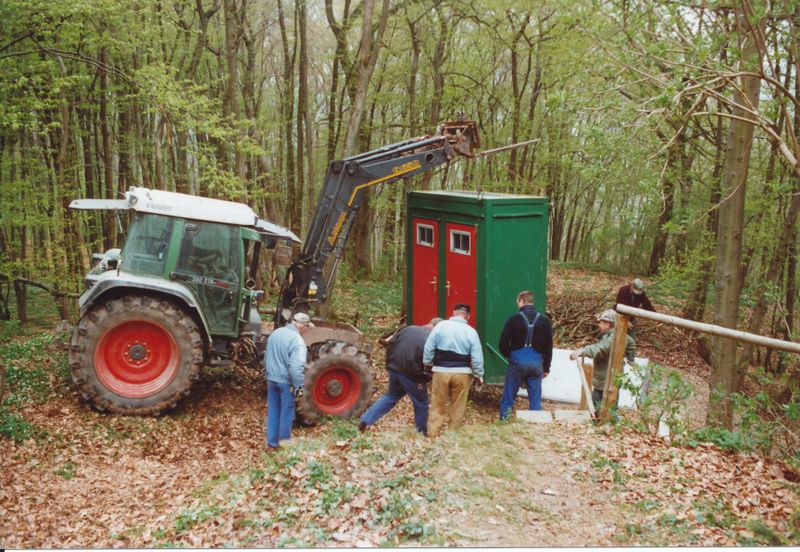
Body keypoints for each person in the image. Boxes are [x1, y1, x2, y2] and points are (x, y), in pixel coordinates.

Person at [358, 318, 443, 435]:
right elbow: (428, 360)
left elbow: (391, 345)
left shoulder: (408, 329)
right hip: (412, 374)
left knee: (390, 397)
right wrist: (424, 376)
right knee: (421, 403)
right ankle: (421, 432)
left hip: (395, 368)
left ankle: (365, 420)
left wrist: (389, 365)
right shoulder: (431, 338)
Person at [423, 304, 484, 437]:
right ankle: (452, 435)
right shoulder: (471, 332)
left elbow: (428, 347)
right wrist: (478, 374)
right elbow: (477, 357)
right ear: (468, 316)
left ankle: (433, 434)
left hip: (441, 371)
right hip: (462, 373)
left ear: (453, 312)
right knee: (458, 406)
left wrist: (427, 363)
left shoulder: (440, 326)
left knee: (437, 404)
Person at [497, 290, 553, 419]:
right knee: (535, 397)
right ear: (532, 302)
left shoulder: (513, 319)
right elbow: (549, 347)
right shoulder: (545, 320)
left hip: (517, 361)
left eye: (518, 302)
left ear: (521, 301)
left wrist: (510, 355)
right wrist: (546, 368)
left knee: (509, 395)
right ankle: (535, 423)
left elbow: (503, 343)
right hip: (537, 363)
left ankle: (504, 420)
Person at [264, 312, 314, 449]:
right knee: (286, 412)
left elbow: (266, 357)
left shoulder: (276, 333)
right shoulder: (298, 341)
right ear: (302, 326)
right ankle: (284, 443)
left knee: (273, 411)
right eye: (306, 327)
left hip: (271, 380)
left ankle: (272, 442)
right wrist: (299, 389)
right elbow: (296, 368)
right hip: (285, 383)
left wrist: (267, 375)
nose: (306, 330)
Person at [569, 309, 635, 411]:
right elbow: (631, 343)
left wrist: (583, 351)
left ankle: (599, 420)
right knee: (601, 409)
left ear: (607, 324)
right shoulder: (617, 334)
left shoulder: (613, 336)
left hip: (607, 382)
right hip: (606, 380)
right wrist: (630, 358)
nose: (598, 325)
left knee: (602, 411)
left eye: (600, 322)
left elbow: (601, 348)